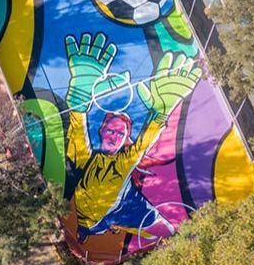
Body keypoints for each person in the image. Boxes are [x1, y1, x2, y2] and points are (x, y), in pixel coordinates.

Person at [63, 32, 202, 241]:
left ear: (126, 138)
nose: (114, 135)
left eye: (120, 133)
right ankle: (95, 231)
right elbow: (78, 135)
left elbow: (143, 143)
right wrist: (79, 101)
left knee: (166, 231)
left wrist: (161, 112)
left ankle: (181, 243)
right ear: (101, 130)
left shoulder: (124, 161)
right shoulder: (88, 159)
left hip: (128, 204)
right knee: (90, 229)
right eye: (110, 130)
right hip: (92, 221)